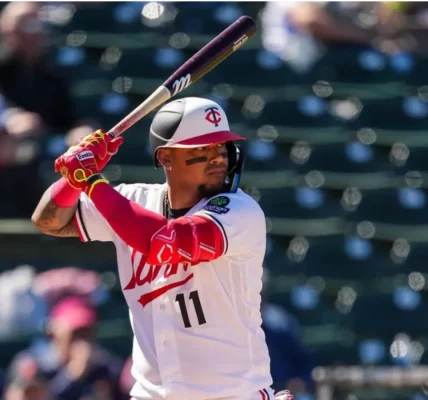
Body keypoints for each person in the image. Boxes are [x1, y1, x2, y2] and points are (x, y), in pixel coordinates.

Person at [31, 97, 293, 400]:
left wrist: (89, 179)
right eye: (202, 149)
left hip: (233, 394)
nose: (218, 159)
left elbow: (164, 241)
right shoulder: (133, 201)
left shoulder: (239, 210)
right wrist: (73, 179)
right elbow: (49, 220)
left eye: (221, 148)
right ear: (166, 156)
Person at [7, 296, 124, 400]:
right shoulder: (32, 365)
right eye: (75, 333)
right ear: (55, 332)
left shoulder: (108, 367)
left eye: (86, 333)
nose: (81, 340)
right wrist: (72, 375)